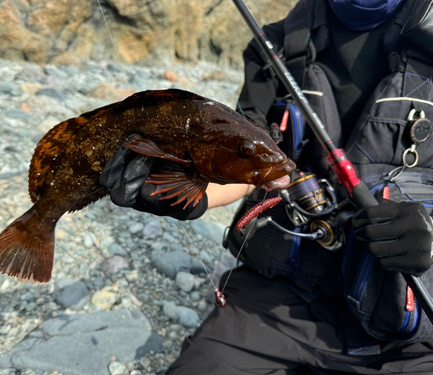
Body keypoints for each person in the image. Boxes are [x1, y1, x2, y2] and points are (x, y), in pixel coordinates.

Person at [100, 0, 433, 373]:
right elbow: (244, 168)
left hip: (410, 330)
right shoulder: (274, 44)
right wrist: (176, 189)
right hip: (276, 300)